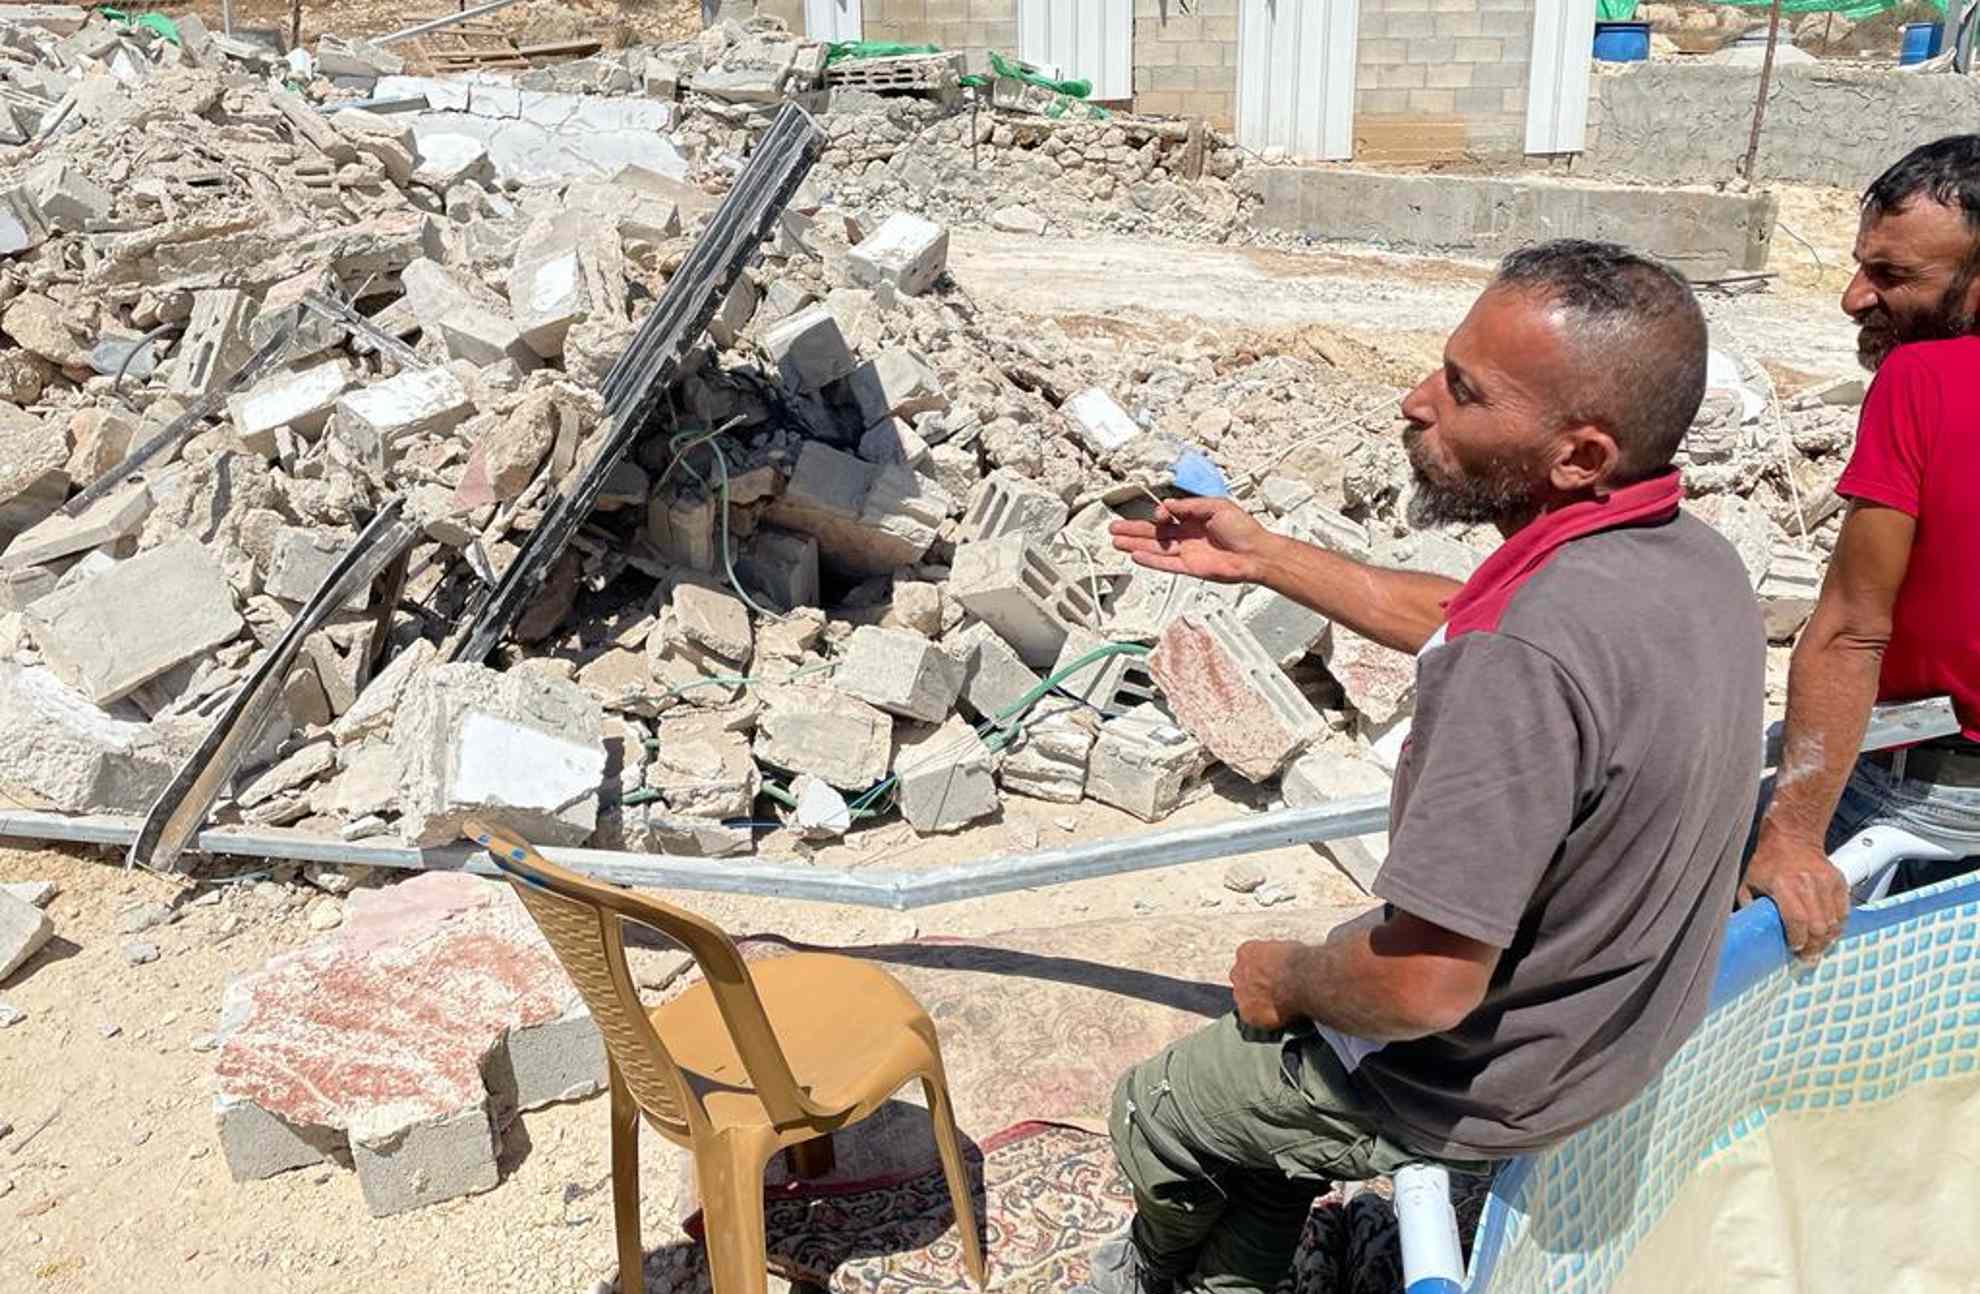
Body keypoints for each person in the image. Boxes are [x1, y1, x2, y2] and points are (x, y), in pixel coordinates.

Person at [1078, 240, 1766, 1294]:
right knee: (1261, 1140)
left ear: (1579, 456)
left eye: (1462, 390)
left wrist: (1288, 974)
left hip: (1492, 1078)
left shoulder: (1521, 659)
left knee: (1162, 1108)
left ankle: (1151, 1272)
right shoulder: (1684, 559)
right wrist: (1262, 554)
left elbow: (1424, 983)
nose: (1414, 400)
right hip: (1616, 1035)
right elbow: (1465, 619)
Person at [1741, 135, 1980, 962]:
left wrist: (1794, 840)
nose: (1852, 297)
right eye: (1861, 265)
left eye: (1892, 277)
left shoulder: (1924, 383)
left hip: (1927, 807)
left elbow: (1851, 630)